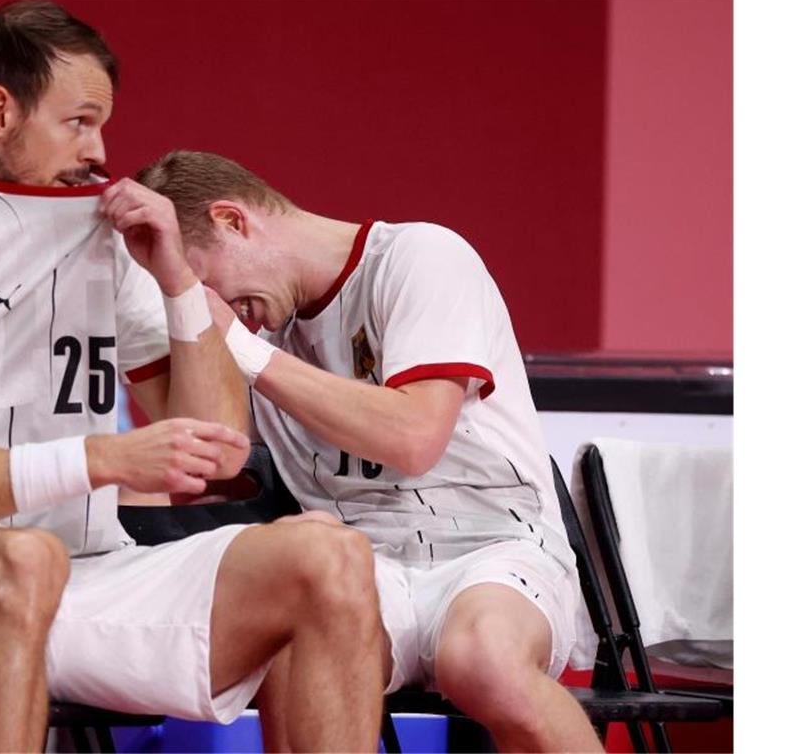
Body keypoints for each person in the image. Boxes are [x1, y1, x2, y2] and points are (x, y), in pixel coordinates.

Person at [0, 1, 384, 752]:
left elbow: (215, 454)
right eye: (79, 122)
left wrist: (179, 283)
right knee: (23, 557)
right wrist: (105, 458)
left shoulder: (106, 239)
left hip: (88, 567)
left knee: (327, 552)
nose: (100, 148)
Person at [139, 150, 604, 752]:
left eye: (202, 283)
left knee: (482, 659)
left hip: (491, 544)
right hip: (358, 562)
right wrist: (183, 308)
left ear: (233, 220)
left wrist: (243, 350)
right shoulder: (251, 331)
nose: (214, 307)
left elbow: (414, 439)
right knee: (289, 646)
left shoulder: (421, 257)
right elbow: (210, 464)